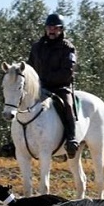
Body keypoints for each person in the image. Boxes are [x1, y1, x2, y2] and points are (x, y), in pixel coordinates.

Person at [27, 13, 79, 158]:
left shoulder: (68, 48)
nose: (52, 30)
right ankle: (15, 141)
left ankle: (71, 139)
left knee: (67, 106)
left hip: (60, 87)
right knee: (20, 104)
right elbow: (30, 67)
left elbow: (68, 71)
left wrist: (46, 80)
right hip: (39, 88)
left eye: (55, 28)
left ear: (61, 30)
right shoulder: (37, 47)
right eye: (50, 27)